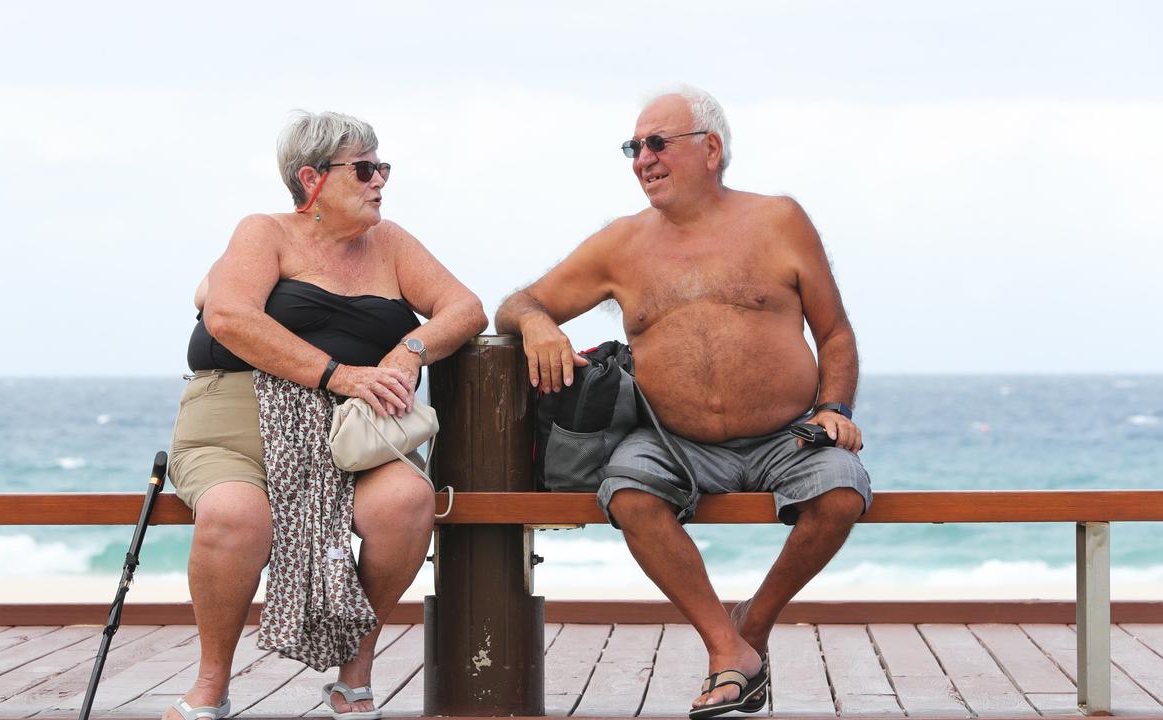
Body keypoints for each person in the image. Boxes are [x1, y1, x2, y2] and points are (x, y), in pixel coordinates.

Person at [495, 87, 870, 718]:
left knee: (841, 492)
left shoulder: (779, 220)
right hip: (673, 442)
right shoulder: (620, 243)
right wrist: (538, 327)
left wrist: (836, 409)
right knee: (630, 495)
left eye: (657, 143)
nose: (642, 159)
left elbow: (834, 332)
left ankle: (749, 629)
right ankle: (726, 647)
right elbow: (518, 304)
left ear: (712, 149)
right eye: (633, 148)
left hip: (787, 434)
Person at [166, 110, 487, 720]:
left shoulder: (390, 244)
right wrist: (338, 374)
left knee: (405, 503)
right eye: (364, 168)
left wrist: (408, 350)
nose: (379, 181)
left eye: (381, 167)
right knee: (236, 516)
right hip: (236, 425)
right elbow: (229, 317)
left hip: (355, 435)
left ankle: (356, 670)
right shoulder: (265, 232)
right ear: (311, 179)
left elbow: (465, 308)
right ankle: (211, 683)